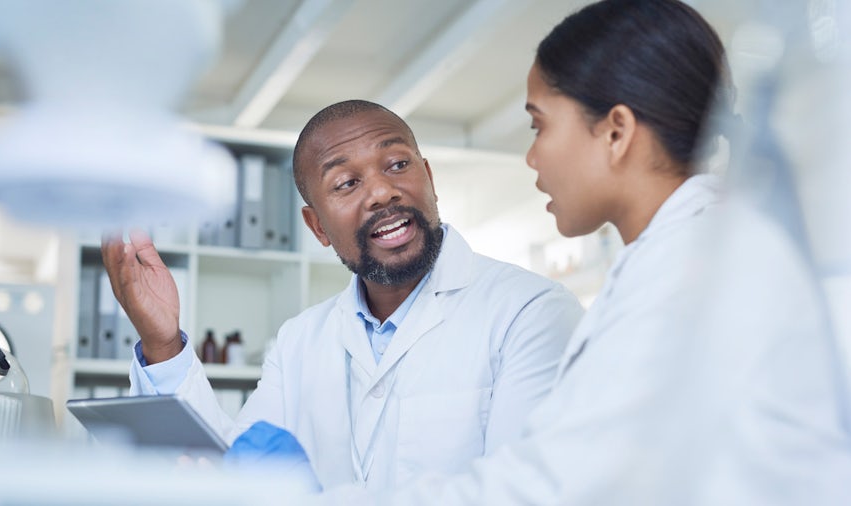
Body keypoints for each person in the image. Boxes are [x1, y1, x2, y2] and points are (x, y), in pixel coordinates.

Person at [311, 0, 851, 504]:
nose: (531, 156)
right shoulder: (671, 258)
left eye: (539, 125)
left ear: (616, 131)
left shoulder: (692, 270)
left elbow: (552, 485)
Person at [100, 100, 584, 490]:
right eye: (347, 182)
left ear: (430, 179)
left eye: (397, 164)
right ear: (318, 227)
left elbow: (523, 492)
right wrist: (162, 342)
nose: (380, 192)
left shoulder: (530, 312)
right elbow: (235, 474)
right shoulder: (299, 341)